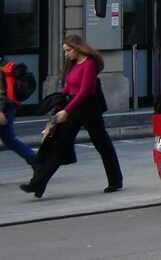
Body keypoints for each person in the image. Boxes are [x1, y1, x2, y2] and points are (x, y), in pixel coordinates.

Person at [21, 34, 123, 199]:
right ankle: (36, 184)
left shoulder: (89, 64)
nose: (66, 54)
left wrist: (66, 111)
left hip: (88, 108)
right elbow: (70, 85)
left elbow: (84, 92)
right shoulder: (74, 64)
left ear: (77, 48)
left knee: (102, 144)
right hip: (74, 107)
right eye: (65, 51)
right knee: (58, 145)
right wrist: (58, 99)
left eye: (68, 50)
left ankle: (115, 180)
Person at [0, 55, 37, 167]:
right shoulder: (3, 64)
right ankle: (35, 160)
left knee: (9, 139)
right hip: (8, 106)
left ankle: (35, 160)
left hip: (4, 107)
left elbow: (0, 92)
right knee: (9, 139)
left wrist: (0, 111)